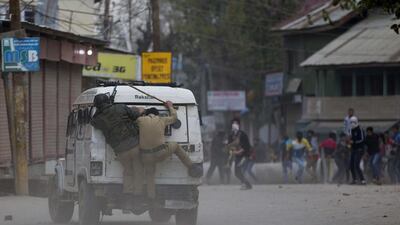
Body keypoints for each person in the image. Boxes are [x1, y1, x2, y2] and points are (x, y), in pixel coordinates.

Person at [137, 101, 202, 200]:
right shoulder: (162, 119)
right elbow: (174, 118)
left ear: (146, 114)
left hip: (146, 156)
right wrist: (170, 107)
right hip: (160, 153)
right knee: (175, 145)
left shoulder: (140, 120)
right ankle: (191, 166)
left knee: (150, 174)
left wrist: (140, 112)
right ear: (157, 114)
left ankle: (151, 197)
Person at [90, 93, 145, 204]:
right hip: (134, 146)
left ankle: (128, 194)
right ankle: (138, 194)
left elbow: (92, 121)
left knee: (128, 171)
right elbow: (136, 114)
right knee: (138, 170)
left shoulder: (99, 118)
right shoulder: (120, 107)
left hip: (121, 151)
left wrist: (101, 109)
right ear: (108, 101)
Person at [226, 119, 252, 190]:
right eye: (233, 124)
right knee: (236, 172)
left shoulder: (242, 134)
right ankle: (247, 184)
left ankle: (245, 184)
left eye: (236, 123)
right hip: (237, 156)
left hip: (244, 155)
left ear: (238, 125)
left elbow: (246, 146)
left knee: (240, 169)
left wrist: (239, 152)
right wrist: (232, 151)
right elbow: (229, 145)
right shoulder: (231, 135)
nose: (234, 125)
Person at [349, 116, 366, 185]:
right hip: (353, 149)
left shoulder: (360, 129)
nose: (352, 123)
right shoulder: (351, 130)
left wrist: (354, 142)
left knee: (356, 165)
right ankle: (354, 180)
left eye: (353, 122)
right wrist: (350, 143)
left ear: (356, 122)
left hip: (360, 149)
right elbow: (351, 139)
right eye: (351, 122)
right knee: (351, 165)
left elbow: (362, 139)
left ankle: (363, 180)